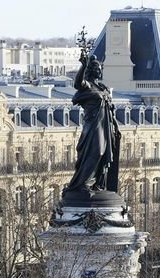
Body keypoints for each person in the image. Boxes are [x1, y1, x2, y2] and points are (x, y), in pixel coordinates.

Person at [63, 53, 120, 195]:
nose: (99, 70)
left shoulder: (102, 87)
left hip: (105, 126)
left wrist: (116, 126)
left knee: (104, 154)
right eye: (96, 68)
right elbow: (77, 83)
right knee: (96, 151)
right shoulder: (87, 86)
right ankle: (83, 184)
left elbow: (110, 109)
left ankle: (97, 184)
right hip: (93, 127)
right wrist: (83, 66)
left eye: (100, 68)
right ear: (91, 70)